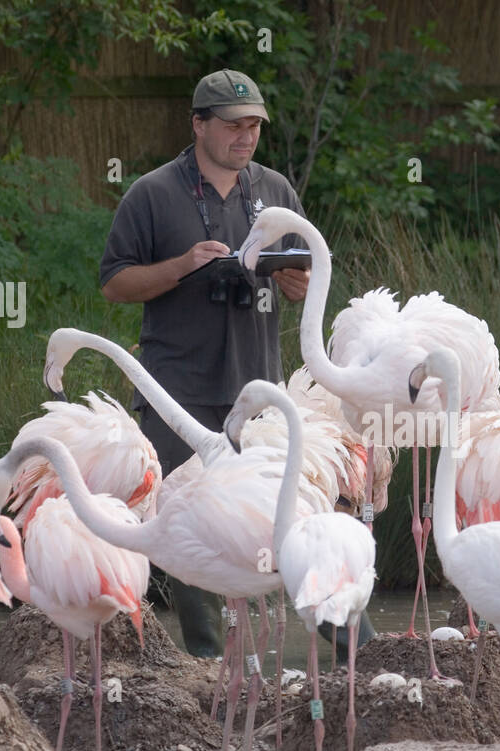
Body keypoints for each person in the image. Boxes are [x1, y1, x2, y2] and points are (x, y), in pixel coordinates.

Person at [99, 68, 372, 664]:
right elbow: (115, 284)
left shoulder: (275, 189)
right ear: (198, 125)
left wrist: (296, 282)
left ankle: (360, 651)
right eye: (232, 126)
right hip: (179, 395)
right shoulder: (152, 193)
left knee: (296, 520)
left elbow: (306, 282)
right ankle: (207, 664)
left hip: (260, 395)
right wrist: (184, 265)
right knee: (188, 529)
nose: (245, 137)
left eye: (253, 126)